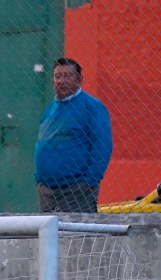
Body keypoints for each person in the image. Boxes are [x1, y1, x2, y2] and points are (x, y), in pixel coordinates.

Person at [34, 58, 113, 213]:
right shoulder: (50, 108)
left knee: (77, 236)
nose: (62, 80)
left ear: (79, 80)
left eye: (68, 76)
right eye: (58, 76)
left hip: (76, 190)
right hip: (47, 192)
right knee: (49, 236)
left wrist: (90, 181)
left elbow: (103, 145)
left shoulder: (92, 106)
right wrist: (39, 178)